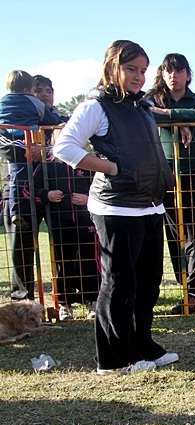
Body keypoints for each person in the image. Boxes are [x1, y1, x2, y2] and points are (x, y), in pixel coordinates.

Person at [53, 40, 178, 375]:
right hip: (116, 209)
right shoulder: (97, 105)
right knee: (119, 282)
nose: (139, 77)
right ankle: (112, 358)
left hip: (150, 206)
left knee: (148, 282)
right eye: (131, 69)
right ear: (113, 68)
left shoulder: (142, 106)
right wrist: (108, 168)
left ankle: (142, 345)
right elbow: (64, 146)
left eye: (142, 70)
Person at [146, 53, 195, 315]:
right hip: (165, 174)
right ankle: (184, 285)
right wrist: (180, 121)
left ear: (188, 74)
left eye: (180, 70)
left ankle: (194, 292)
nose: (174, 75)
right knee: (175, 234)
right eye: (168, 70)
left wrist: (171, 116)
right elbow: (145, 114)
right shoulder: (149, 99)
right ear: (162, 74)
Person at [0, 70, 61, 300]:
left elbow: (67, 147)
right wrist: (27, 149)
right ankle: (23, 299)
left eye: (48, 91)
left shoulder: (55, 120)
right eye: (39, 90)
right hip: (20, 185)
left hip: (53, 185)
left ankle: (66, 296)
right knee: (21, 245)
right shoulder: (20, 116)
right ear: (29, 92)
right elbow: (4, 145)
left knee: (65, 239)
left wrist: (44, 150)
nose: (44, 95)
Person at [32, 155, 99, 320]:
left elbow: (105, 187)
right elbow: (29, 189)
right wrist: (46, 195)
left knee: (89, 261)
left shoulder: (90, 162)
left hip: (87, 222)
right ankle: (64, 304)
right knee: (62, 263)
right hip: (59, 223)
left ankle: (93, 301)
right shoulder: (47, 166)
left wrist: (88, 199)